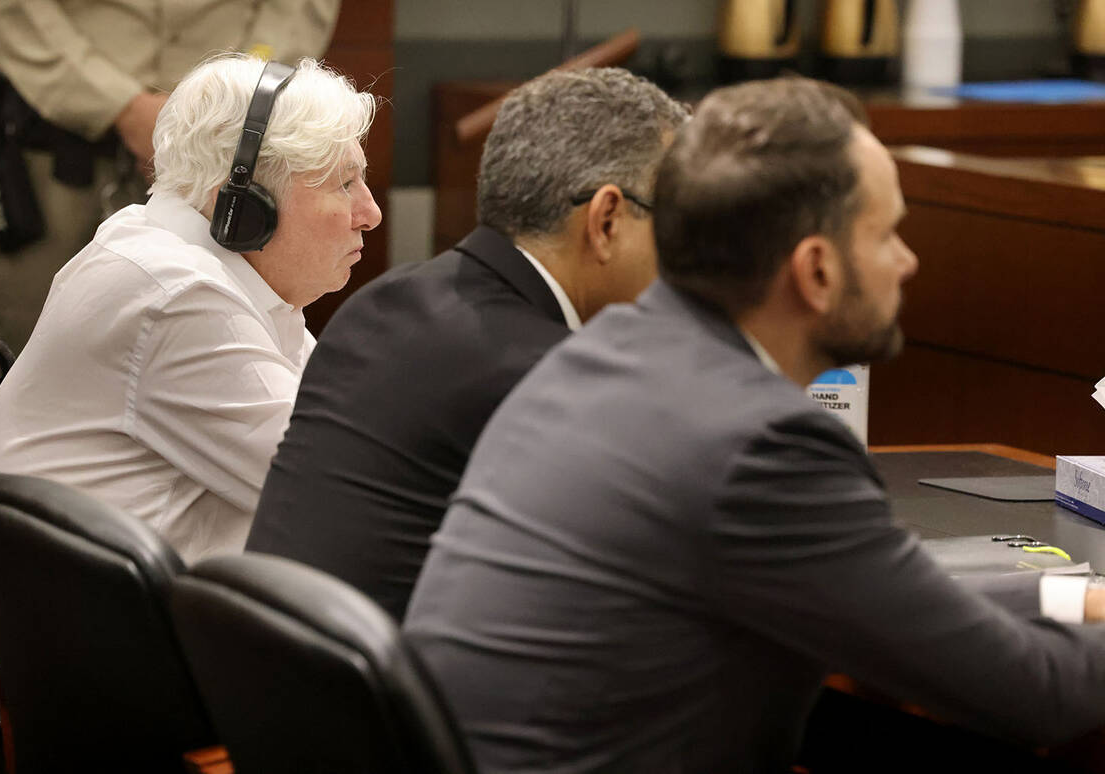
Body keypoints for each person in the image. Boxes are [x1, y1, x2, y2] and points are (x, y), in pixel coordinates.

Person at [403, 76, 1105, 773]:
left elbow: (883, 595)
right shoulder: (764, 447)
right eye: (889, 233)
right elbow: (1038, 693)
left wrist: (1067, 592)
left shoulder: (595, 360)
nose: (907, 260)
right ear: (817, 270)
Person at [246, 68, 688, 620]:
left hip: (272, 674)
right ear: (605, 221)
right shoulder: (559, 378)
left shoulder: (386, 300)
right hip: (394, 698)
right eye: (674, 221)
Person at [0, 0, 341, 385]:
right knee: (20, 347)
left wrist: (236, 99)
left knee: (234, 351)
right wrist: (121, 106)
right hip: (60, 146)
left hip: (228, 149)